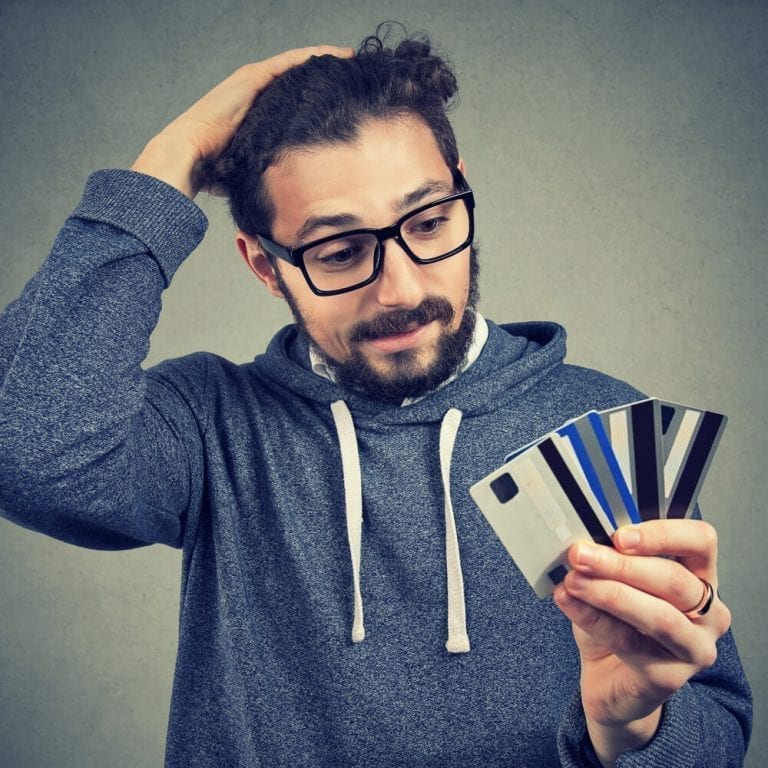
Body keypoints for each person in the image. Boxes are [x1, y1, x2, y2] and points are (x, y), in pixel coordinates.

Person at [0, 30, 752, 768]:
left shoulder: (601, 427)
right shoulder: (209, 425)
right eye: (339, 251)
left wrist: (634, 730)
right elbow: (25, 445)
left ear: (463, 187)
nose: (403, 289)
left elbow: (719, 726)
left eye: (429, 222)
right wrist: (173, 158)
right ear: (265, 266)